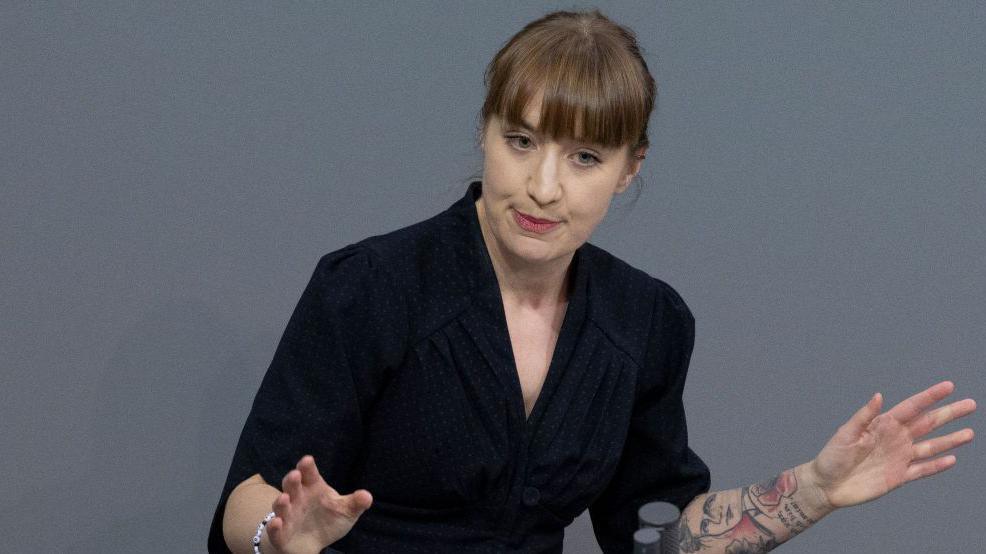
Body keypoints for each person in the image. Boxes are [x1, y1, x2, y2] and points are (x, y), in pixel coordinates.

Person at [208, 9, 976, 554]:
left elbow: (657, 535)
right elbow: (246, 500)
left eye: (584, 158)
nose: (543, 186)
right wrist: (281, 539)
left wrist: (815, 489)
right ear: (484, 132)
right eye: (520, 141)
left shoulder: (645, 321)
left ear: (629, 169)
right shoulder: (371, 287)